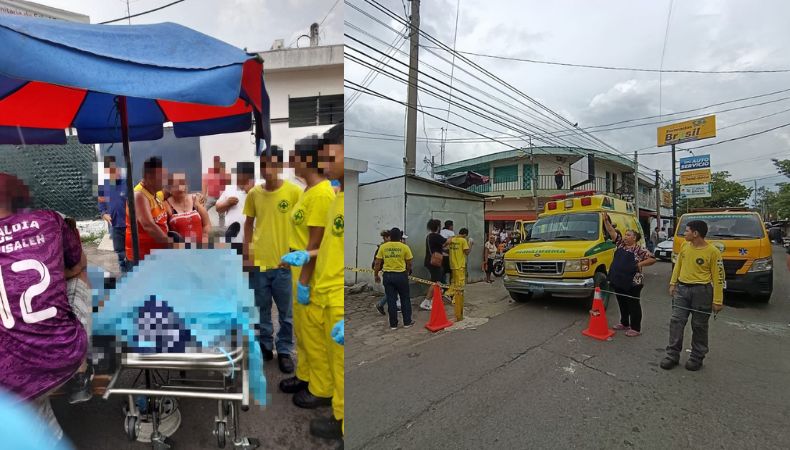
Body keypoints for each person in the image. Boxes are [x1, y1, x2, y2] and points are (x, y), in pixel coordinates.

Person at [0, 173, 86, 443]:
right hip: (64, 356)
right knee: (83, 276)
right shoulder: (50, 219)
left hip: (10, 376)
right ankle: (85, 370)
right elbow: (78, 264)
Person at [281, 122, 345, 441]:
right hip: (303, 271)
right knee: (304, 335)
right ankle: (306, 376)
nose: (290, 162)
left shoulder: (322, 194)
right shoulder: (313, 192)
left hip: (316, 278)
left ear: (308, 160)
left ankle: (320, 389)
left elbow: (316, 244)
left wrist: (305, 279)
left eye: (294, 157)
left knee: (318, 340)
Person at [243, 146, 302, 374]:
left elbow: (302, 226)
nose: (267, 170)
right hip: (259, 263)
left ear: (281, 166)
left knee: (286, 313)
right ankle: (265, 346)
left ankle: (285, 350)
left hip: (284, 265)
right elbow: (248, 224)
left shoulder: (294, 192)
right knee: (261, 309)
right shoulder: (254, 194)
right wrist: (247, 254)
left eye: (272, 165)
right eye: (263, 165)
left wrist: (296, 252)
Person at [661, 220, 725, 372]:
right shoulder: (684, 246)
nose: (685, 233)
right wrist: (673, 283)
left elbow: (718, 277)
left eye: (687, 230)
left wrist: (717, 300)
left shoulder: (713, 252)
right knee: (676, 321)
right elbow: (678, 265)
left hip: (702, 292)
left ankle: (697, 357)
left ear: (695, 234)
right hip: (682, 290)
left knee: (699, 326)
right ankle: (672, 355)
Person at [603, 213, 656, 337]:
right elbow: (611, 231)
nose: (625, 237)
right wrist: (606, 221)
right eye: (625, 235)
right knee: (621, 302)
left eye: (628, 235)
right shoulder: (620, 244)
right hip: (618, 280)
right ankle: (624, 323)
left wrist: (640, 264)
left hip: (633, 282)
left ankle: (635, 328)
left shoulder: (640, 250)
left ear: (634, 238)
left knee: (633, 304)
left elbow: (653, 259)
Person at [125, 156, 174, 263]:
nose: (165, 180)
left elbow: (170, 192)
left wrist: (195, 197)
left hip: (156, 255)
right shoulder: (139, 196)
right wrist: (172, 245)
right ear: (149, 176)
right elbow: (148, 225)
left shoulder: (155, 192)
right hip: (142, 259)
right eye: (162, 176)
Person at [374, 227, 414, 330]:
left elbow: (377, 262)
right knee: (405, 298)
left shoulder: (383, 247)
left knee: (391, 300)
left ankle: (393, 324)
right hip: (401, 275)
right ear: (400, 237)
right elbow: (409, 262)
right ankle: (407, 322)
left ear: (390, 236)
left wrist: (376, 274)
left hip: (387, 276)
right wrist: (407, 271)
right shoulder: (405, 247)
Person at [97, 155, 129, 272]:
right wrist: (103, 214)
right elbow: (100, 202)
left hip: (129, 224)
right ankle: (125, 272)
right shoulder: (102, 184)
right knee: (120, 251)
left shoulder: (126, 182)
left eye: (113, 169)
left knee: (132, 249)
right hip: (115, 224)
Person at [165, 172, 211, 244]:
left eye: (183, 184)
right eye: (177, 185)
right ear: (170, 189)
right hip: (180, 251)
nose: (181, 188)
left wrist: (205, 239)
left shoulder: (195, 199)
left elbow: (207, 224)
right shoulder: (167, 205)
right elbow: (165, 231)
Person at [216, 162, 256, 244]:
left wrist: (250, 191)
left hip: (251, 236)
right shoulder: (230, 189)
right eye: (239, 174)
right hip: (231, 237)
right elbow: (218, 208)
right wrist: (227, 203)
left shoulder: (258, 190)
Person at [446, 228, 471, 321]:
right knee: (460, 284)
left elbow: (446, 247)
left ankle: (449, 293)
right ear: (465, 234)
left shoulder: (452, 239)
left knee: (454, 281)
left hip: (452, 264)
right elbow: (467, 252)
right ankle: (455, 300)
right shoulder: (463, 240)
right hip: (460, 265)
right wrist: (470, 244)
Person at [422, 219, 447, 310]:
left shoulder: (430, 236)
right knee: (435, 282)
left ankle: (433, 300)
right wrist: (453, 238)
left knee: (437, 282)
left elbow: (440, 246)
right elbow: (446, 242)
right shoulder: (435, 236)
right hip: (434, 262)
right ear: (437, 227)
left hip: (430, 261)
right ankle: (426, 301)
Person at [374, 229, 400, 314]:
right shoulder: (382, 247)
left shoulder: (388, 246)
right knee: (391, 291)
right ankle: (380, 304)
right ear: (386, 238)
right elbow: (377, 262)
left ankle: (393, 306)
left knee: (393, 291)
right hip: (386, 272)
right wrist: (376, 274)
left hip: (390, 272)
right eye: (390, 237)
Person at [440, 220, 455, 285]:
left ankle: (443, 285)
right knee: (452, 271)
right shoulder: (451, 233)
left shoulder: (440, 232)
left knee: (442, 272)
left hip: (440, 255)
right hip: (448, 255)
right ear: (450, 226)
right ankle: (450, 286)